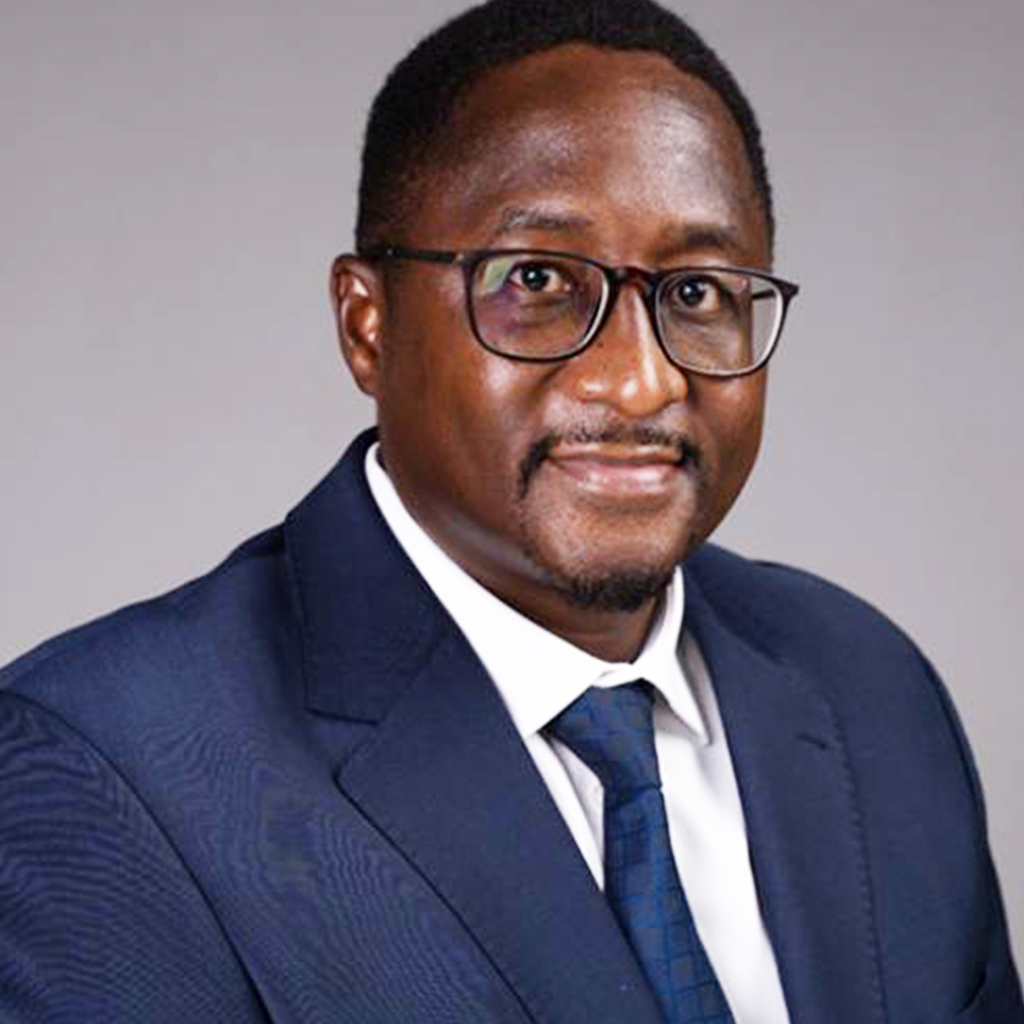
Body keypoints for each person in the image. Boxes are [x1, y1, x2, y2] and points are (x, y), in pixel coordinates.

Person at [1, 0, 1020, 1020]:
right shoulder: (96, 773)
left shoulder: (870, 687)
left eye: (697, 293)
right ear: (367, 325)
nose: (639, 382)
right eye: (536, 279)